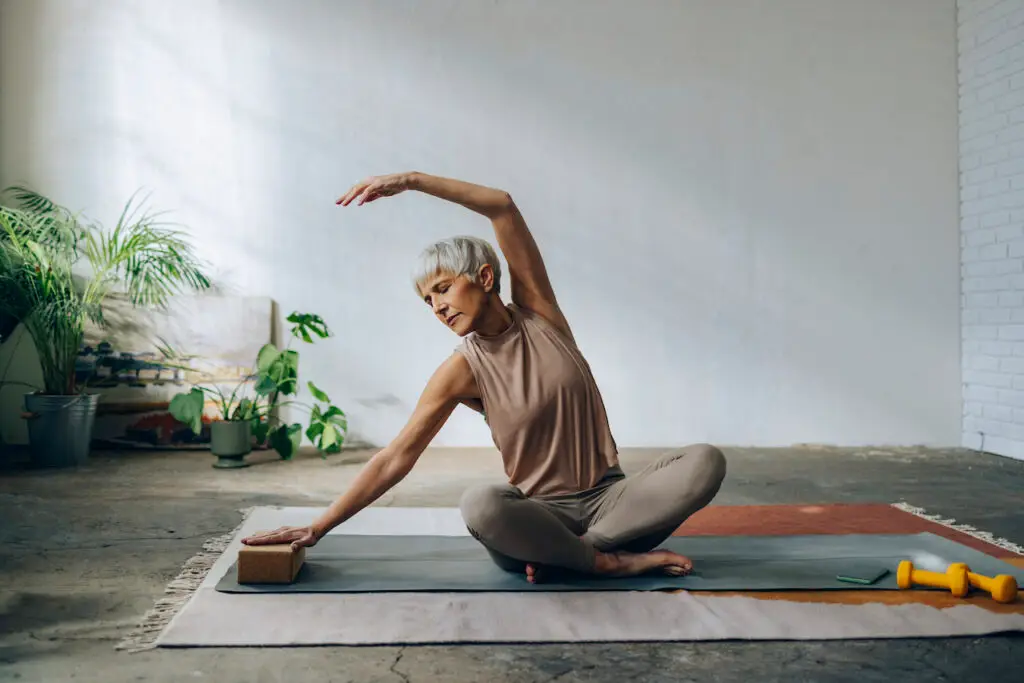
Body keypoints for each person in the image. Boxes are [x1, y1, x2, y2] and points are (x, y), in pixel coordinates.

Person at [242, 172, 727, 582]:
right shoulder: (461, 370)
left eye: (443, 288)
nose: (437, 307)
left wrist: (408, 180)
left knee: (704, 460)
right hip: (538, 517)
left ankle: (581, 556)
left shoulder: (542, 314)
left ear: (486, 278)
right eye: (427, 300)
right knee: (482, 504)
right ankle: (601, 561)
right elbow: (396, 457)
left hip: (613, 505)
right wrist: (318, 527)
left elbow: (503, 207)